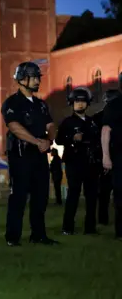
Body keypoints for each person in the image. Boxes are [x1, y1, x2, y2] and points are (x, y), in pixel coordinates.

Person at [2, 61, 58, 247]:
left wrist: (49, 141)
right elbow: (14, 127)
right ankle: (13, 237)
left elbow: (51, 126)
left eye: (37, 78)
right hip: (21, 155)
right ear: (22, 79)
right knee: (18, 196)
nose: (36, 81)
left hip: (40, 156)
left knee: (41, 196)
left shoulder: (41, 105)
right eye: (33, 78)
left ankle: (38, 234)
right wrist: (37, 142)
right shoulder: (12, 103)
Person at [56, 87, 100, 235]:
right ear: (71, 103)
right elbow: (58, 139)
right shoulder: (67, 122)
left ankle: (90, 228)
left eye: (83, 101)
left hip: (91, 163)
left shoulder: (92, 122)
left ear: (87, 103)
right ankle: (67, 227)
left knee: (92, 196)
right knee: (73, 195)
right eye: (77, 102)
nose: (80, 104)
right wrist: (72, 138)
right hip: (74, 163)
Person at [93, 89, 120, 225]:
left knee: (105, 192)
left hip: (106, 158)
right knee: (106, 192)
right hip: (107, 158)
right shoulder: (99, 118)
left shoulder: (98, 117)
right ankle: (104, 219)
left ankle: (104, 220)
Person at [101, 73, 122, 240]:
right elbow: (105, 131)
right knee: (120, 194)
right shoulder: (113, 106)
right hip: (119, 156)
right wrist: (106, 157)